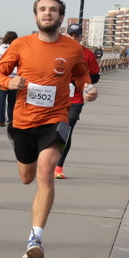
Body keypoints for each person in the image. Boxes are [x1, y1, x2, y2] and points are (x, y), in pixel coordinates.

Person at [0, 0, 96, 258]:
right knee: (27, 177)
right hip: (23, 121)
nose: (48, 13)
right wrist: (9, 83)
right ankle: (29, 154)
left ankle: (35, 239)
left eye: (53, 9)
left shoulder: (72, 48)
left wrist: (88, 88)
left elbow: (81, 73)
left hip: (56, 118)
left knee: (46, 172)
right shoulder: (20, 44)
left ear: (61, 17)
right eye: (43, 9)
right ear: (35, 15)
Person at [55, 23, 101, 179]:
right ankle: (46, 159)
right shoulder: (57, 50)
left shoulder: (87, 54)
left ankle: (59, 166)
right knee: (51, 130)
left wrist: (79, 79)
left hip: (75, 98)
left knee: (66, 130)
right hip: (55, 98)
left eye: (77, 35)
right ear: (66, 35)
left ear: (81, 37)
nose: (74, 38)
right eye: (71, 35)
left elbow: (95, 76)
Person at [0, 31, 18, 127]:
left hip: (2, 77)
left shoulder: (0, 49)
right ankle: (11, 120)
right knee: (12, 101)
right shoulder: (17, 49)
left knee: (1, 100)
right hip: (14, 77)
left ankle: (0, 120)